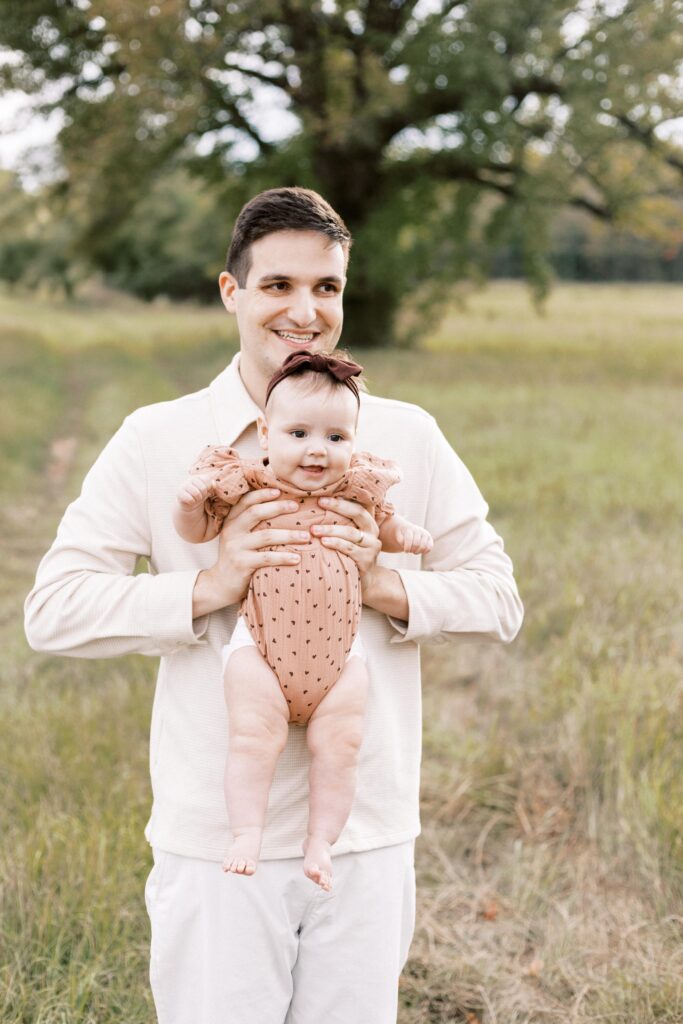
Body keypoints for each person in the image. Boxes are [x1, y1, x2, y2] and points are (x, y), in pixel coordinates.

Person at [24, 186, 523, 1024]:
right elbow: (54, 609)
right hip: (214, 843)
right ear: (232, 293)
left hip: (363, 836)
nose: (305, 311)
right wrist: (207, 587)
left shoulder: (405, 436)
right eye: (278, 286)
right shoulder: (158, 438)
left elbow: (498, 598)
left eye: (325, 288)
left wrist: (384, 585)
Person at [174, 350, 433, 890]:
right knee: (251, 736)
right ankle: (247, 830)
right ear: (265, 437)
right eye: (299, 434)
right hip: (261, 649)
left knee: (343, 744)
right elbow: (196, 531)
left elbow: (386, 526)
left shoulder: (356, 488)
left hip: (341, 659)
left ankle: (320, 840)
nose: (318, 450)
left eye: (337, 438)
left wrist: (403, 535)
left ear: (354, 443)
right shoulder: (249, 483)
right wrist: (190, 504)